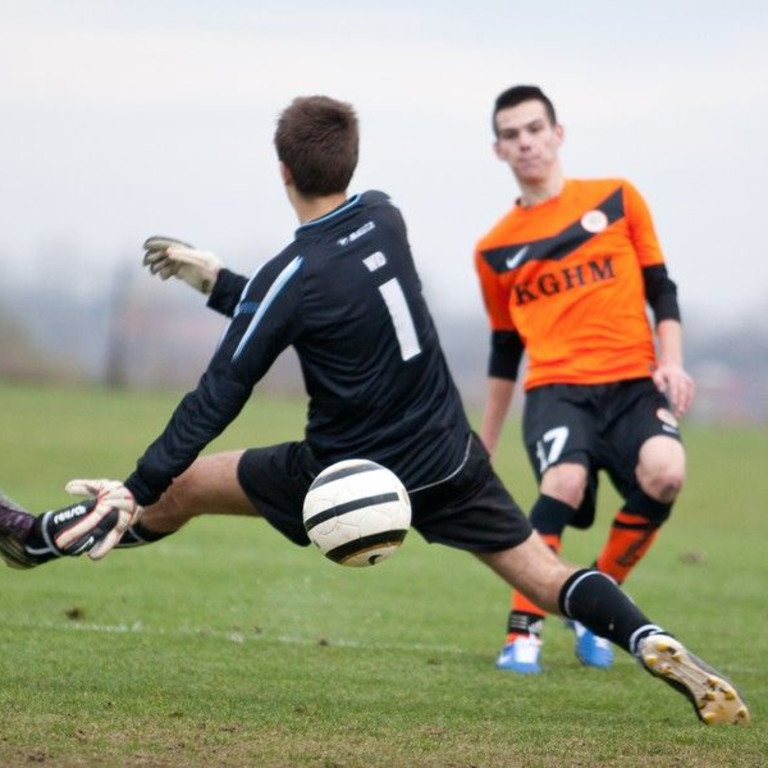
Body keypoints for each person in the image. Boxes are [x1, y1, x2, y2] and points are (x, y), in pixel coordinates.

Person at [0, 96, 747, 726]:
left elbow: (223, 388)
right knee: (547, 575)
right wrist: (218, 279)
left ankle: (34, 541)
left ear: (283, 170)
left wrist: (138, 481)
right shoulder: (385, 217)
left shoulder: (293, 276)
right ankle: (645, 634)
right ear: (349, 162)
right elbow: (313, 300)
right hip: (448, 460)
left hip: (344, 472)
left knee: (185, 486)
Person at [474, 85, 696, 675]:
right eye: (512, 135)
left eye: (534, 129)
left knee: (667, 471)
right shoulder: (494, 250)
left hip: (632, 384)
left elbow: (661, 288)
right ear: (498, 150)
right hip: (556, 392)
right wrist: (486, 442)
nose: (525, 143)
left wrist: (670, 361)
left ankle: (594, 604)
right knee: (565, 481)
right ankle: (523, 630)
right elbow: (504, 353)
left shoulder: (618, 199)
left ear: (557, 133)